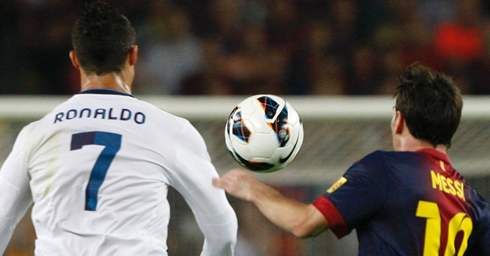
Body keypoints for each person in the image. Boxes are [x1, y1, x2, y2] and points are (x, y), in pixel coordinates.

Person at [0, 1, 237, 255]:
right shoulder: (169, 130)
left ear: (75, 59)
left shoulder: (37, 133)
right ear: (133, 55)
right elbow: (222, 230)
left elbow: (2, 218)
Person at [213, 62, 490, 255]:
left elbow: (303, 224)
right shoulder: (474, 204)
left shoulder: (385, 170)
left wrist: (255, 190)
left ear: (398, 121)